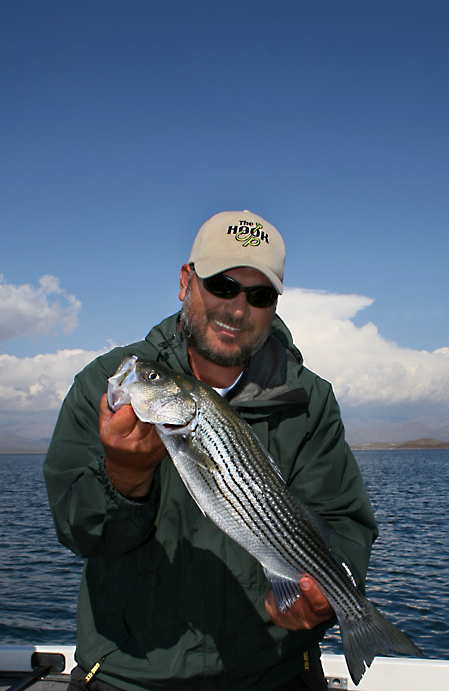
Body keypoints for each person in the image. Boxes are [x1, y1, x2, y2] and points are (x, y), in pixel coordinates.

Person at [44, 210, 378, 691]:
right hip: (131, 675)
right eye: (222, 285)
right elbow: (79, 532)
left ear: (275, 304)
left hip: (274, 674)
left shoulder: (310, 399)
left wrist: (329, 599)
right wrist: (124, 476)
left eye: (259, 295)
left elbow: (341, 525)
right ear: (186, 280)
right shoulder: (106, 383)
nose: (237, 309)